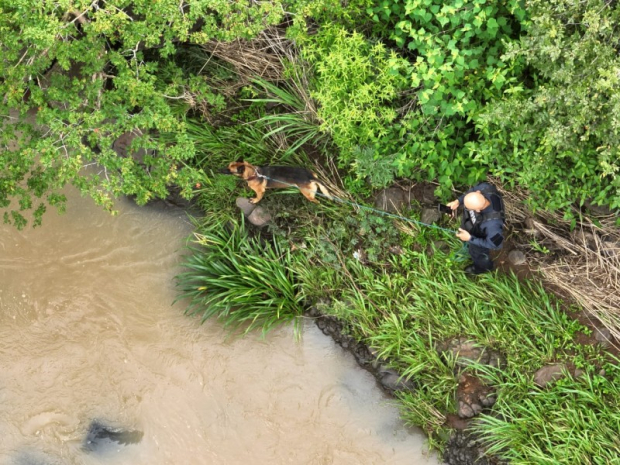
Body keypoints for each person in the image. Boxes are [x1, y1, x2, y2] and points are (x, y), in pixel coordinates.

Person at [446, 182, 505, 275]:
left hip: (480, 238)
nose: (466, 208)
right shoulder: (485, 188)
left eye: (468, 209)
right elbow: (471, 191)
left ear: (477, 210)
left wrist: (470, 238)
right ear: (478, 192)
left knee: (478, 255)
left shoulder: (493, 225)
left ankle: (482, 268)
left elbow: (496, 245)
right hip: (472, 226)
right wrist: (457, 201)